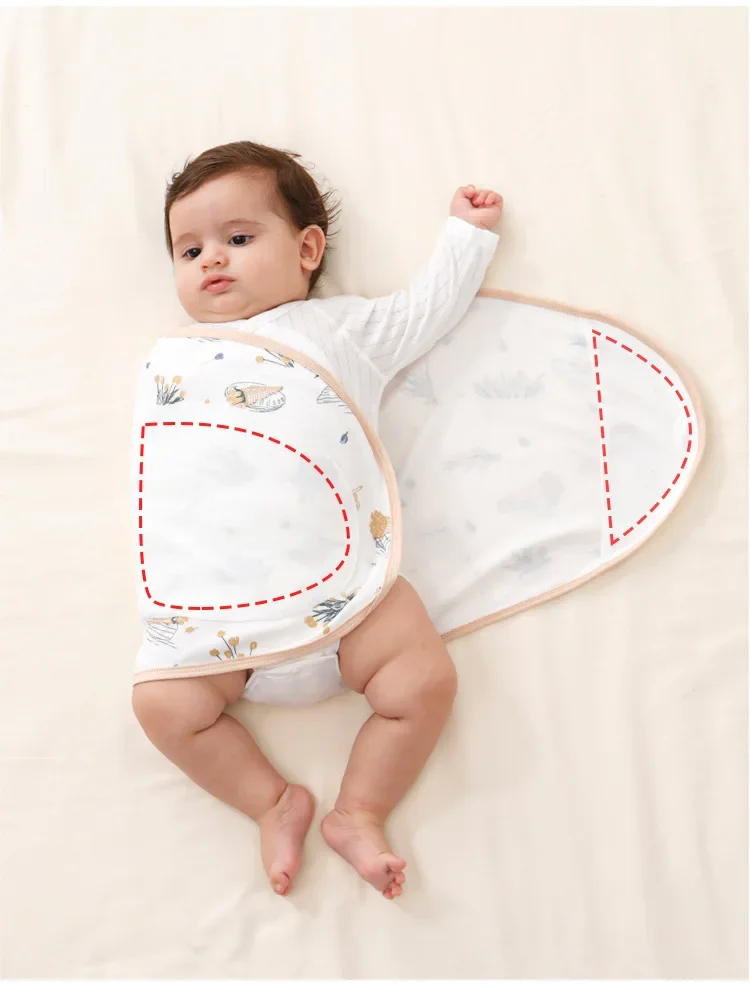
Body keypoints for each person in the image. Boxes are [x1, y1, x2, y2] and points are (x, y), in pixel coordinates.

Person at [132, 140, 503, 900]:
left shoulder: (335, 330)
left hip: (348, 598)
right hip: (220, 619)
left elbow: (424, 312)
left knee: (425, 682)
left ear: (307, 250)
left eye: (239, 237)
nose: (211, 260)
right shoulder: (177, 360)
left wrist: (466, 237)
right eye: (189, 250)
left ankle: (360, 811)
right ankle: (271, 803)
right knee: (161, 706)